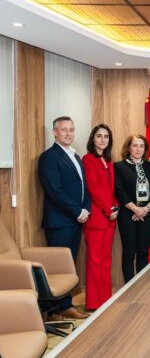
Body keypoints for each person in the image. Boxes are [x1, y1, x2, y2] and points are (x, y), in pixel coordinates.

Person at [38, 116, 91, 319]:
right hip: (59, 221)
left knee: (69, 265)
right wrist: (78, 211)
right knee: (58, 266)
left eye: (71, 129)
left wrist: (85, 209)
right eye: (64, 130)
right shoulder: (49, 157)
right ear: (55, 132)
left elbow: (83, 187)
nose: (68, 133)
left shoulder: (75, 156)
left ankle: (65, 306)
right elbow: (55, 190)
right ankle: (53, 310)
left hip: (76, 219)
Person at [82, 124, 118, 310]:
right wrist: (108, 209)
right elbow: (93, 188)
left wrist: (115, 207)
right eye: (99, 136)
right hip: (97, 217)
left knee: (106, 259)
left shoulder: (108, 160)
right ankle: (94, 302)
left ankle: (105, 299)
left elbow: (112, 189)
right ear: (93, 139)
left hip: (110, 217)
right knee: (95, 260)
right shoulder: (88, 159)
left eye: (106, 136)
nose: (103, 139)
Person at [114, 134, 150, 283]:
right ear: (129, 147)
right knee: (128, 253)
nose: (138, 149)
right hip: (127, 215)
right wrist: (135, 209)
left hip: (147, 214)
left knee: (143, 253)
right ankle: (129, 288)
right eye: (135, 145)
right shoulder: (119, 166)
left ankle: (141, 286)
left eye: (141, 146)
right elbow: (119, 191)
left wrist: (145, 209)